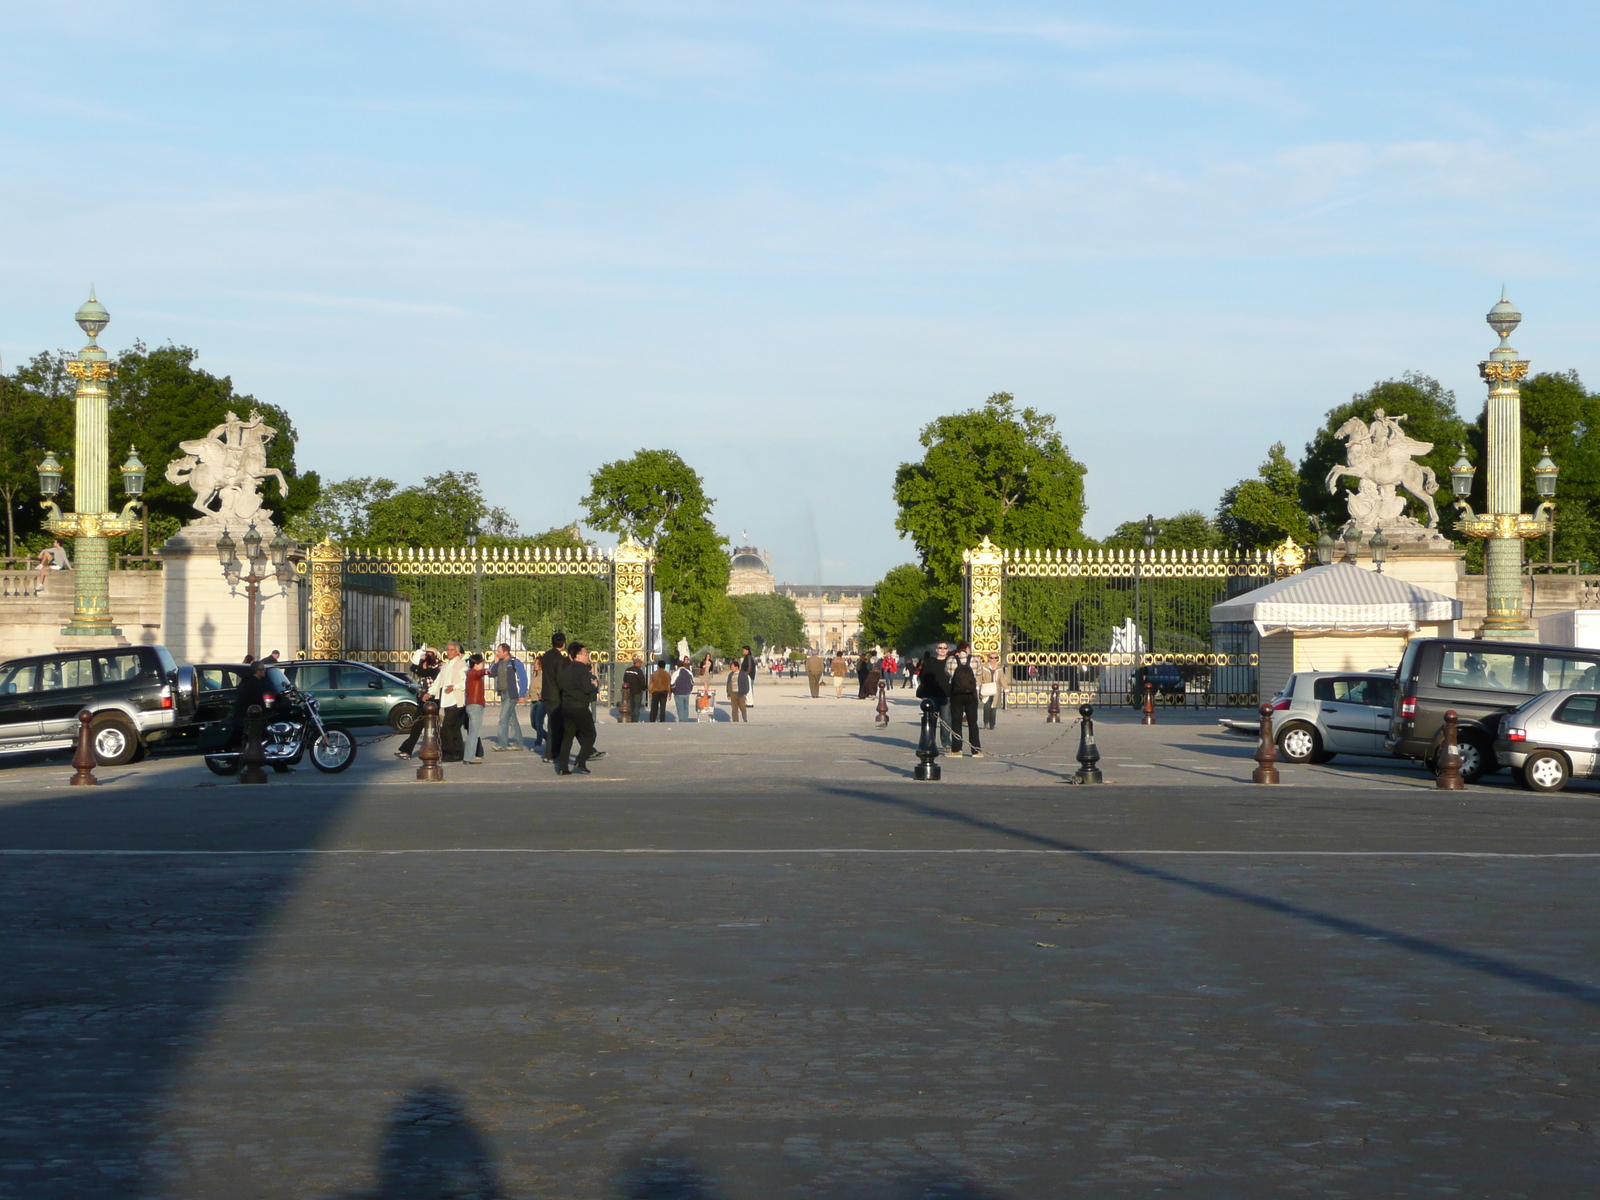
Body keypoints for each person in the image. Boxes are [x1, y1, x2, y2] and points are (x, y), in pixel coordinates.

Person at [555, 642, 600, 774]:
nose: (588, 656)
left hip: (566, 706)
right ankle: (580, 760)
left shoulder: (567, 670)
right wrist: (594, 685)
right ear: (578, 656)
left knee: (567, 737)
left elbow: (562, 686)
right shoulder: (582, 669)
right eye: (586, 653)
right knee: (591, 735)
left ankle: (563, 768)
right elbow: (586, 688)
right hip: (579, 706)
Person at [947, 641, 983, 757]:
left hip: (956, 694)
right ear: (967, 648)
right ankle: (976, 750)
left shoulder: (951, 659)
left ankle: (957, 749)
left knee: (956, 721)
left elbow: (948, 673)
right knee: (973, 722)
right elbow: (980, 672)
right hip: (971, 694)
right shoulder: (975, 659)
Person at [434, 642, 467, 762]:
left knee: (447, 726)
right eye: (448, 650)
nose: (449, 652)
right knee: (454, 727)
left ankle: (449, 752)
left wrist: (454, 687)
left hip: (456, 701)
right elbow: (438, 681)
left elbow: (465, 682)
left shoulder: (461, 665)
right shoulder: (447, 665)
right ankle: (458, 752)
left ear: (457, 651)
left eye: (452, 650)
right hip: (446, 701)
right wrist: (429, 692)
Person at [491, 643, 527, 750]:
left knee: (503, 718)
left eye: (499, 652)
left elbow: (523, 678)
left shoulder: (514, 662)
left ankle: (502, 744)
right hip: (502, 693)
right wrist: (494, 662)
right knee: (512, 718)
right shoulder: (499, 662)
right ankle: (518, 743)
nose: (497, 654)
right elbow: (491, 674)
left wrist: (522, 694)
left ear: (506, 652)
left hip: (511, 694)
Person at [538, 633, 567, 763]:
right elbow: (560, 679)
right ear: (564, 644)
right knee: (556, 726)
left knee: (551, 724)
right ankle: (552, 754)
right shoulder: (559, 659)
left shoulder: (547, 655)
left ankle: (549, 753)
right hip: (556, 695)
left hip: (547, 693)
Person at [463, 653, 488, 764]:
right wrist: (485, 671)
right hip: (475, 705)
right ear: (476, 664)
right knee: (474, 732)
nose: (483, 664)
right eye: (481, 662)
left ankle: (469, 755)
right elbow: (479, 673)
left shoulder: (470, 673)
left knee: (473, 732)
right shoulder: (473, 673)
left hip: (471, 704)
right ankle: (469, 757)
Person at [980, 653, 1005, 730]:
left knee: (993, 707)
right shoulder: (984, 667)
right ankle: (985, 723)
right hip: (986, 689)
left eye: (995, 658)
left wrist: (1006, 688)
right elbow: (979, 677)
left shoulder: (999, 669)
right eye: (992, 658)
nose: (993, 659)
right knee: (987, 707)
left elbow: (1002, 679)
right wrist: (978, 687)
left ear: (997, 659)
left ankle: (992, 724)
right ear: (988, 658)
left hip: (995, 690)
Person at [622, 657, 647, 723]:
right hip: (637, 691)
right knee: (636, 706)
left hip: (628, 691)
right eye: (640, 663)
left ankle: (629, 718)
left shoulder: (627, 670)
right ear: (637, 663)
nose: (641, 664)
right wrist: (643, 688)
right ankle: (635, 720)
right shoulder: (638, 671)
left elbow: (624, 679)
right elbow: (642, 681)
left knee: (630, 705)